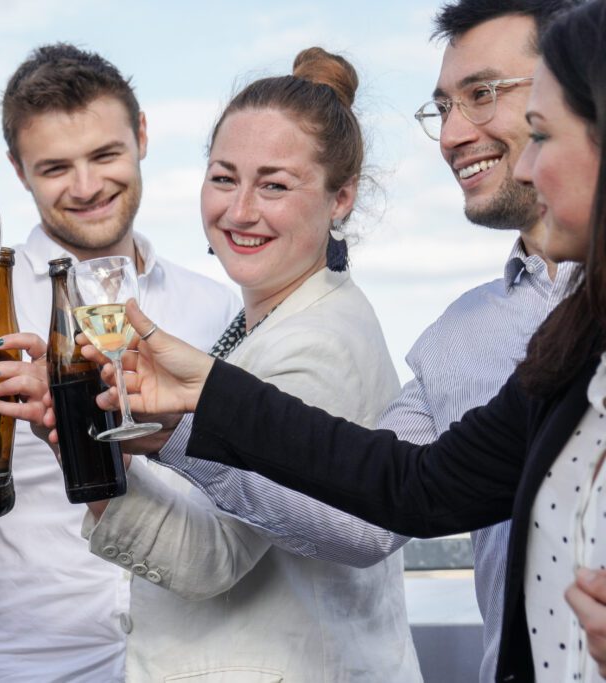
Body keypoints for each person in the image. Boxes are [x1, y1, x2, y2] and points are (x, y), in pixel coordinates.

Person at [78, 2, 606, 679]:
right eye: (443, 105)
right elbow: (399, 489)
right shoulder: (497, 340)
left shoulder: (327, 331)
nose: (452, 137)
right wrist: (198, 403)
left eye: (535, 125)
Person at [65, 48, 421, 680]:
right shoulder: (261, 319)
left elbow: (209, 557)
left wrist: (78, 440)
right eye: (224, 178)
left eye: (275, 185)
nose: (239, 211)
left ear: (341, 199)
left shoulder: (316, 343)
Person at [0, 44, 240, 681]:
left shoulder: (216, 305)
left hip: (193, 655)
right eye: (55, 167)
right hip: (35, 659)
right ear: (18, 171)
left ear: (141, 136)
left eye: (105, 155)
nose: (86, 187)